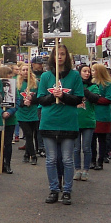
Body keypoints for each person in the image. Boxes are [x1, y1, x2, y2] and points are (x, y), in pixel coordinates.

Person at [36, 43, 84, 205]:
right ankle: (54, 189)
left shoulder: (75, 76)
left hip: (68, 122)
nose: (60, 57)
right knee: (51, 159)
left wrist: (63, 96)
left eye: (63, 54)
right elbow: (41, 98)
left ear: (67, 56)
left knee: (67, 159)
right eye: (57, 54)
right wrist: (53, 96)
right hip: (49, 122)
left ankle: (67, 190)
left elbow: (78, 98)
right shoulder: (46, 77)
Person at [73, 63, 98, 182]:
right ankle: (77, 169)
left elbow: (95, 98)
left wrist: (84, 90)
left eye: (89, 71)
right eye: (84, 71)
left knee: (86, 147)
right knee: (76, 148)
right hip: (76, 120)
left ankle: (86, 170)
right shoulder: (74, 86)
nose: (87, 73)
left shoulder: (93, 86)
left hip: (88, 120)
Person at [0, 65, 17, 174]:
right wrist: (1, 112)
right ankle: (0, 163)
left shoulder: (13, 87)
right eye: (8, 74)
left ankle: (7, 164)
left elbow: (17, 101)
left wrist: (9, 112)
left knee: (8, 143)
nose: (10, 76)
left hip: (10, 119)